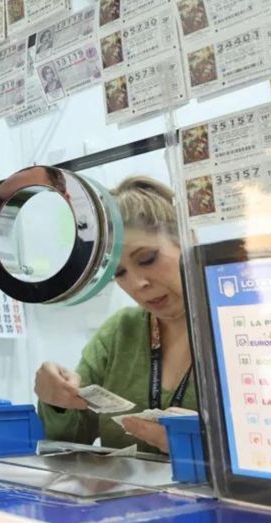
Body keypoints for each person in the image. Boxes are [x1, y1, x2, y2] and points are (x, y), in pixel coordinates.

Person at [33, 176, 198, 453]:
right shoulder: (121, 332)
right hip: (128, 496)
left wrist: (208, 444)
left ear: (187, 240)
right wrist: (55, 399)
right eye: (117, 273)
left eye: (147, 259)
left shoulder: (242, 325)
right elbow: (68, 441)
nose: (137, 284)